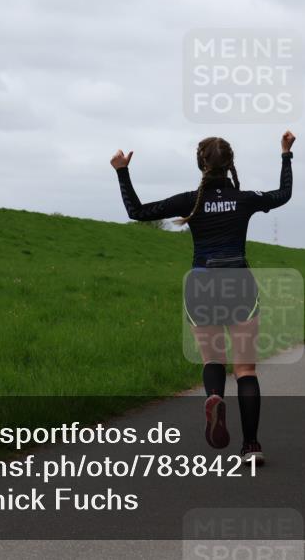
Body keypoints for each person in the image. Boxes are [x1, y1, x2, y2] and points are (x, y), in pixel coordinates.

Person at [111, 131, 295, 465]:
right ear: (230, 165)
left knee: (213, 361)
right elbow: (283, 194)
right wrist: (285, 154)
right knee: (245, 370)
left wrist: (122, 171)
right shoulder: (245, 199)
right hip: (239, 282)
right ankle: (251, 446)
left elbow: (136, 211)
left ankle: (214, 397)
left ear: (201, 164)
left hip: (202, 284)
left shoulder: (189, 200)